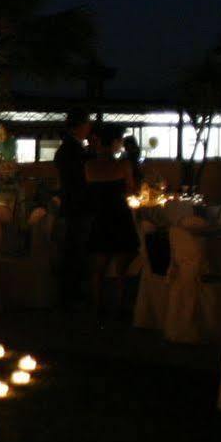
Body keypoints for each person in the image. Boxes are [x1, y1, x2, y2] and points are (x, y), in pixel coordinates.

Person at [84, 125, 142, 314]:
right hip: (120, 216)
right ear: (115, 142)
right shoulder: (123, 165)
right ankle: (120, 306)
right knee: (121, 269)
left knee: (97, 269)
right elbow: (131, 190)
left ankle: (97, 306)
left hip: (100, 217)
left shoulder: (89, 166)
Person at [54, 111, 95, 306]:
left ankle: (70, 291)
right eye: (87, 124)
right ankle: (71, 293)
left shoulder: (70, 147)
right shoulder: (72, 149)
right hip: (77, 204)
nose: (90, 128)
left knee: (74, 247)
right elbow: (79, 178)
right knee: (75, 248)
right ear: (78, 126)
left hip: (73, 204)